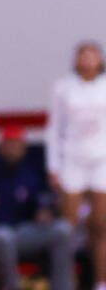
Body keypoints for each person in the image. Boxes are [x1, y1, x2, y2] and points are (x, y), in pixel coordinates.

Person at [0, 125, 74, 290]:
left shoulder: (29, 174)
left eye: (19, 146)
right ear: (1, 145)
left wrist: (43, 212)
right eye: (10, 144)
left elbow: (40, 204)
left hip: (19, 231)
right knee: (3, 236)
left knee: (62, 229)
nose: (14, 150)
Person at [47, 40, 106, 290]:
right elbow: (54, 128)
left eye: (94, 55)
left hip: (101, 161)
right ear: (76, 60)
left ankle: (100, 282)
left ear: (101, 60)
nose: (89, 60)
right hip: (72, 161)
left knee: (101, 227)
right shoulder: (63, 88)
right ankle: (66, 282)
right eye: (84, 55)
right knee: (67, 228)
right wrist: (53, 165)